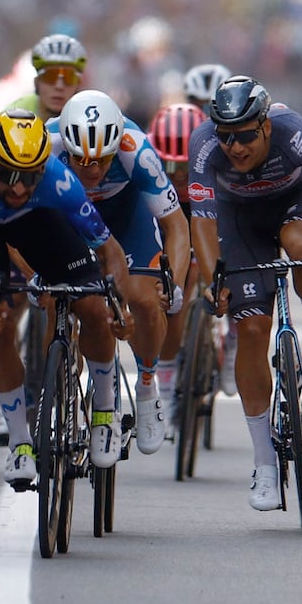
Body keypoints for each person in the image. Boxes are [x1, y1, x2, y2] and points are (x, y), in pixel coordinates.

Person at [189, 75, 302, 511]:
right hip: (238, 220)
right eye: (227, 138)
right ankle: (264, 462)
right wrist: (213, 281)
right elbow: (203, 223)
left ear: (266, 125)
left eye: (246, 135)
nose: (236, 147)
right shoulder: (204, 145)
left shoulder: (298, 134)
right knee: (251, 330)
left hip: (294, 206)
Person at [0, 109, 132, 486]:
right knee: (0, 323)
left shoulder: (57, 180)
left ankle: (105, 412)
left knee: (92, 305)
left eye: (29, 177)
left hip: (39, 223)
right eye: (8, 175)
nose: (19, 188)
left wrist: (117, 303)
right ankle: (21, 444)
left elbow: (109, 250)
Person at [49, 90, 189, 455]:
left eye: (101, 160)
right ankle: (64, 381)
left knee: (145, 299)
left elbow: (174, 224)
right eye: (81, 160)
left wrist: (173, 281)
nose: (92, 169)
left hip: (126, 221)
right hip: (69, 220)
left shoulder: (136, 150)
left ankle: (147, 388)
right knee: (59, 300)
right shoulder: (47, 145)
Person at [146, 102, 208, 420]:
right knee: (170, 295)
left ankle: (227, 341)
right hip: (165, 214)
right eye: (170, 168)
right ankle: (167, 381)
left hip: (204, 212)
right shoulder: (142, 157)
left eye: (187, 167)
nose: (180, 175)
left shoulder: (218, 157)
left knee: (203, 274)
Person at [181, 63, 239, 394]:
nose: (202, 111)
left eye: (210, 103)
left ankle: (233, 338)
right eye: (195, 102)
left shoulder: (233, 132)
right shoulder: (175, 126)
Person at [5, 33, 88, 123]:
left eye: (69, 77)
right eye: (50, 76)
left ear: (78, 84)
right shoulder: (14, 115)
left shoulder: (89, 117)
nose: (59, 86)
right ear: (36, 82)